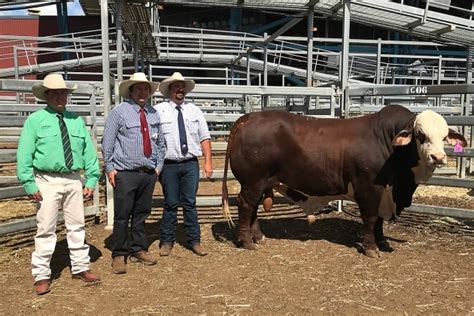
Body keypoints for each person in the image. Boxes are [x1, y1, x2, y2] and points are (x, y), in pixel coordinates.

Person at [16, 73, 101, 295]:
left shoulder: (76, 120)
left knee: (77, 224)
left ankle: (80, 267)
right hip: (46, 179)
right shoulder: (35, 121)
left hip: (73, 178)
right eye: (55, 93)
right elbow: (25, 153)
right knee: (45, 227)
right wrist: (29, 183)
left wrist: (91, 178)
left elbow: (88, 152)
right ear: (47, 95)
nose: (60, 96)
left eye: (63, 92)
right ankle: (42, 274)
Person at [102, 72, 165, 274]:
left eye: (145, 88)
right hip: (126, 173)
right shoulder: (119, 112)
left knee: (141, 213)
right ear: (131, 90)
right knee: (122, 214)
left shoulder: (153, 113)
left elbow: (161, 144)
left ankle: (138, 248)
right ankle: (119, 253)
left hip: (147, 172)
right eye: (138, 88)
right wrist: (110, 168)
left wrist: (157, 167)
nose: (142, 91)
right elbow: (107, 143)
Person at [154, 72, 213, 257]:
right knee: (170, 203)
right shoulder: (159, 110)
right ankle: (167, 241)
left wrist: (208, 162)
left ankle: (194, 241)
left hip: (190, 164)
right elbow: (153, 139)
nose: (179, 90)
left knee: (190, 203)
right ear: (169, 91)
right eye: (175, 87)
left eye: (182, 87)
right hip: (169, 164)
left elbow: (205, 137)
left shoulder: (194, 110)